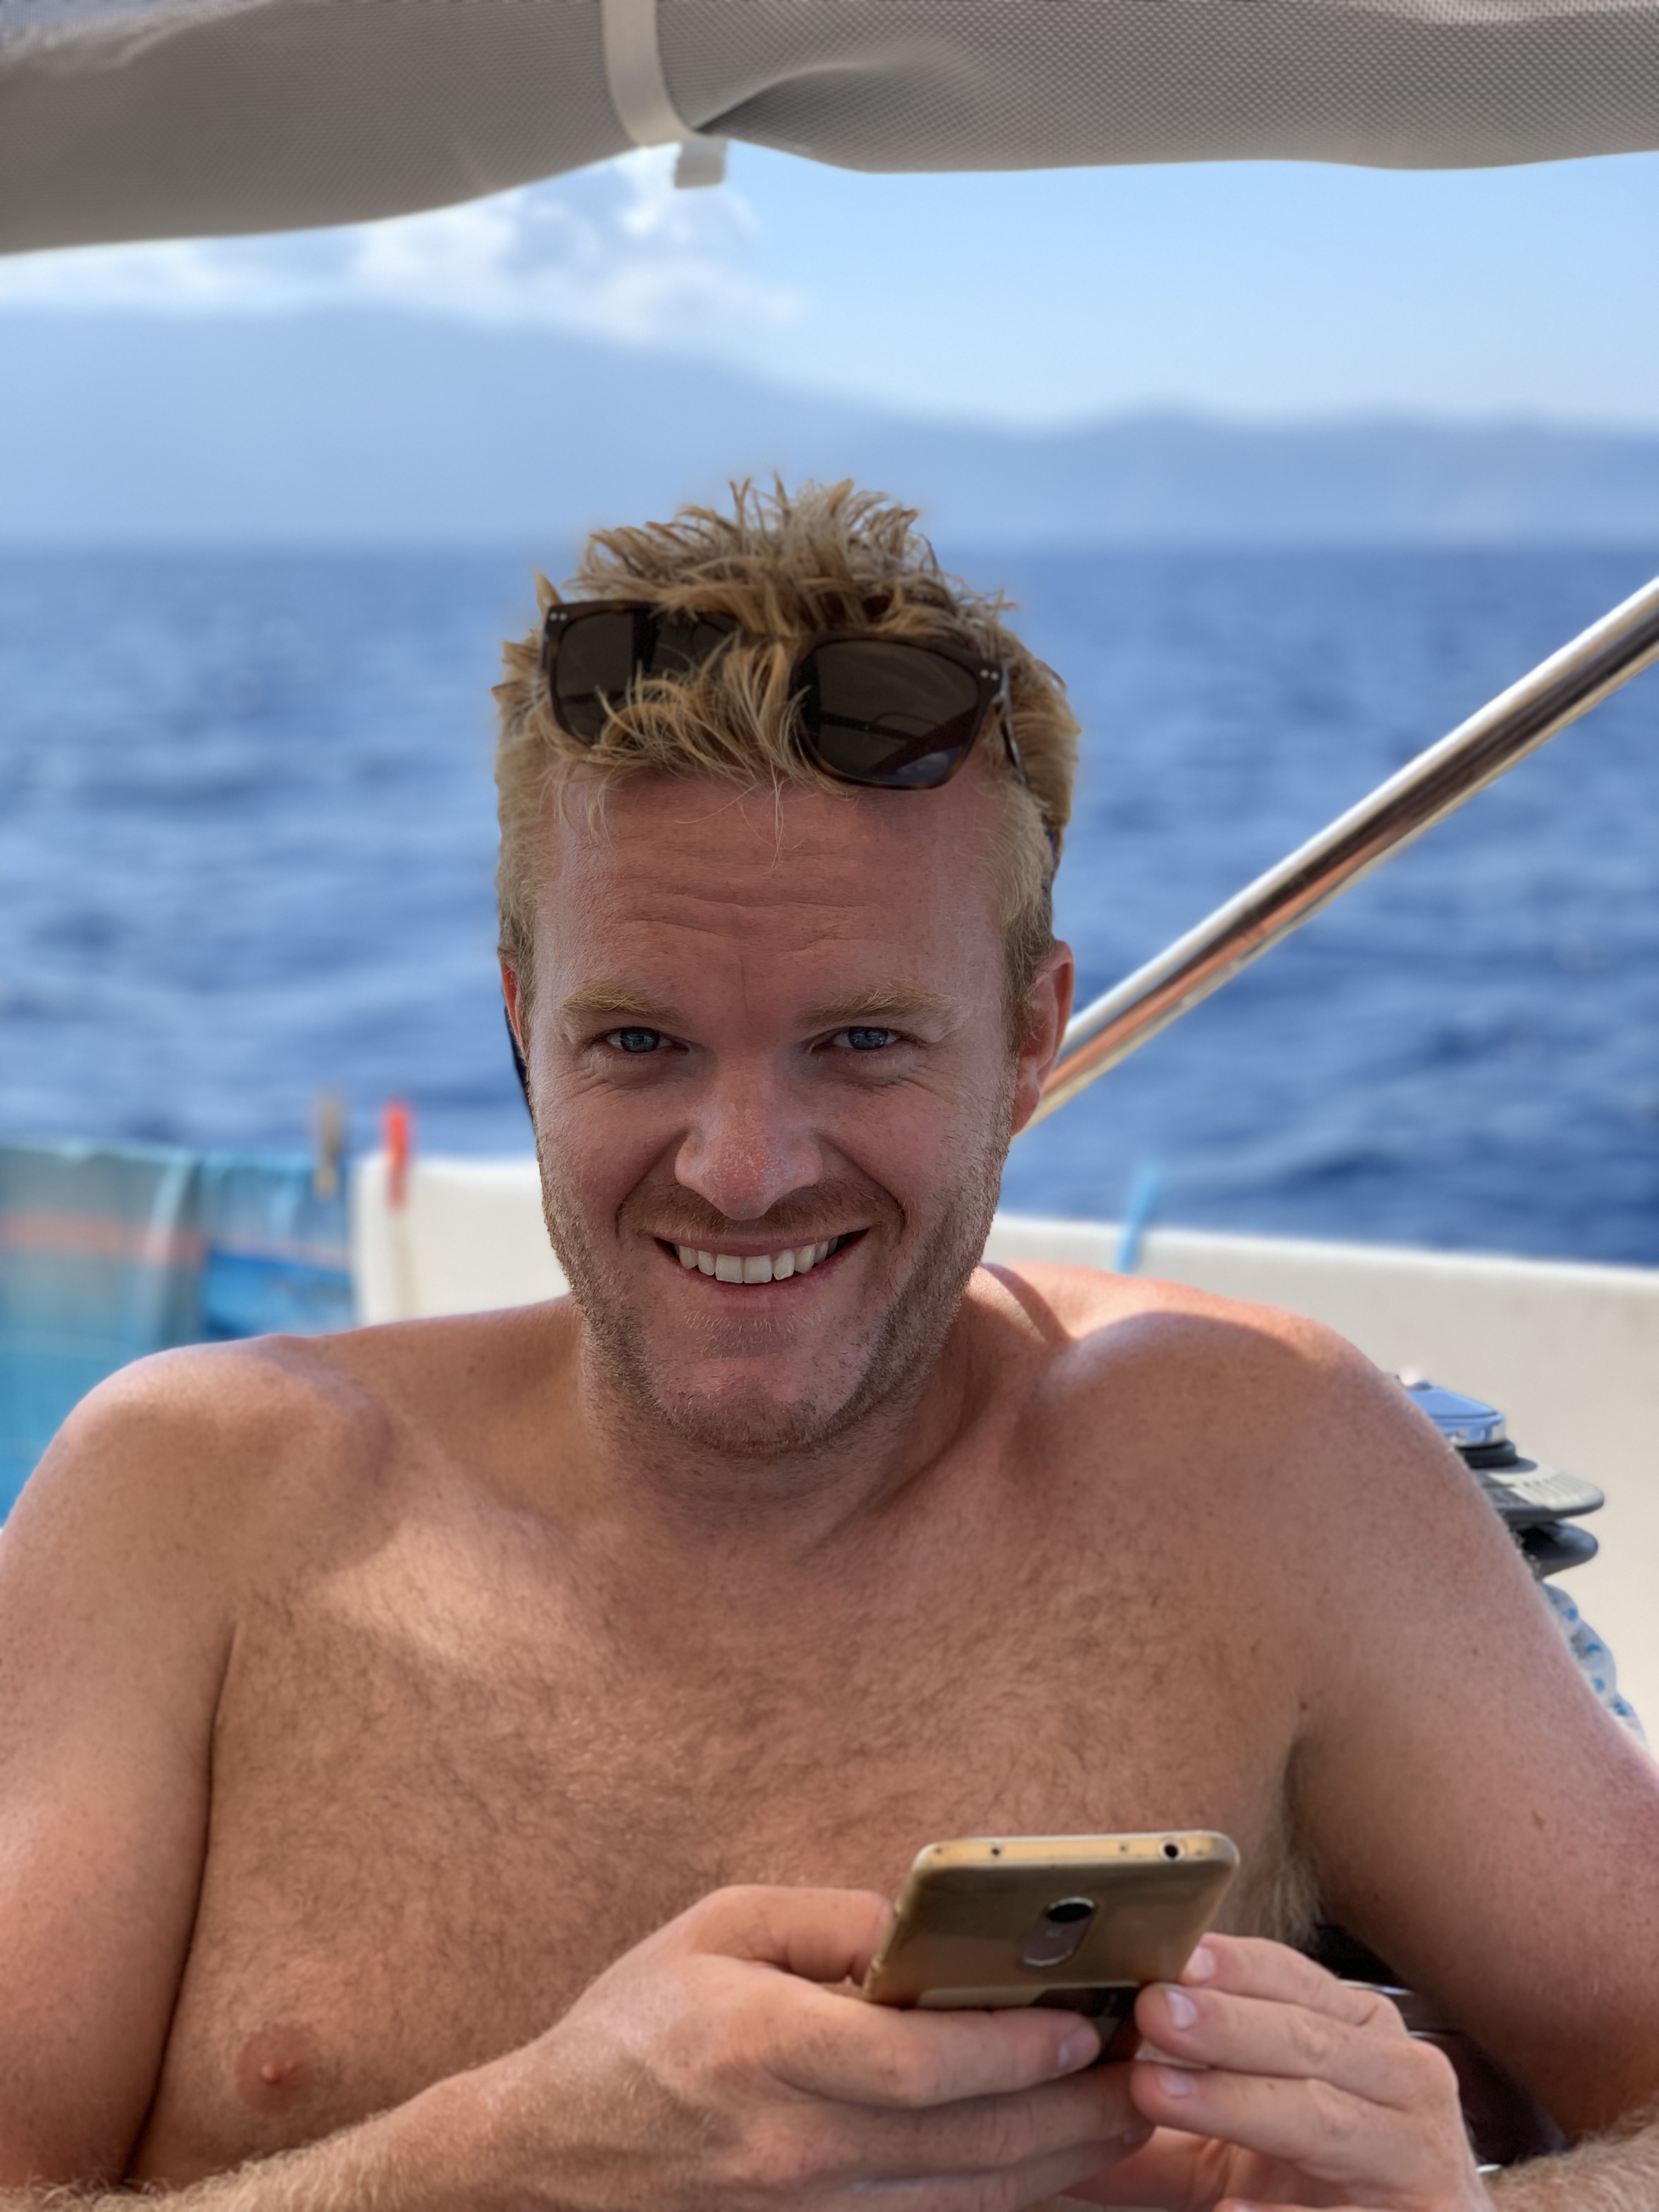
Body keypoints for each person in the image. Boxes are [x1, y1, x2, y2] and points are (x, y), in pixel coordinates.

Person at [3, 481, 1657, 2212]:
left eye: (863, 1042)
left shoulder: (1269, 1477)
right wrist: (504, 2162)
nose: (743, 1170)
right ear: (519, 1024)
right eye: (639, 1042)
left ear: (1031, 1035)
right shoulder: (192, 1503)